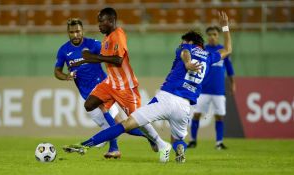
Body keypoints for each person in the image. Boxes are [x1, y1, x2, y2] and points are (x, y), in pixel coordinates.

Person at [63, 11, 232, 163]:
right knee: (178, 139)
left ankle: (89, 144)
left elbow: (185, 53)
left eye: (183, 42)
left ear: (189, 42)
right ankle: (176, 149)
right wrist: (225, 27)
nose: (181, 44)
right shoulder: (209, 56)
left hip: (163, 97)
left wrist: (187, 63)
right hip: (184, 106)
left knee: (127, 124)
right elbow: (228, 50)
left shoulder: (185, 47)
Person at [63, 7, 169, 158]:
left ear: (111, 21)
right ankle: (109, 130)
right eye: (98, 22)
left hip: (126, 87)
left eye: (101, 22)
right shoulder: (106, 38)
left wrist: (93, 58)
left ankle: (159, 142)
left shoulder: (118, 35)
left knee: (137, 120)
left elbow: (118, 60)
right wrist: (90, 58)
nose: (98, 25)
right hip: (110, 84)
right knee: (89, 104)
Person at [54, 18, 123, 158]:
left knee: (109, 115)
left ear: (82, 31)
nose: (75, 35)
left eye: (78, 31)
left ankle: (112, 148)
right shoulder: (63, 51)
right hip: (86, 94)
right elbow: (57, 71)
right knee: (117, 125)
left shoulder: (93, 44)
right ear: (68, 33)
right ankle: (153, 139)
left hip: (102, 86)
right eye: (71, 32)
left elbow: (111, 56)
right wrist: (66, 76)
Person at [187, 26, 235, 150]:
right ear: (207, 36)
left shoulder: (222, 51)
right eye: (210, 35)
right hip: (203, 90)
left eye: (214, 34)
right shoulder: (203, 50)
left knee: (219, 116)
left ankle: (219, 142)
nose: (212, 37)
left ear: (218, 36)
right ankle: (192, 141)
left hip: (219, 91)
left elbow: (229, 69)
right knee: (196, 114)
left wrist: (233, 84)